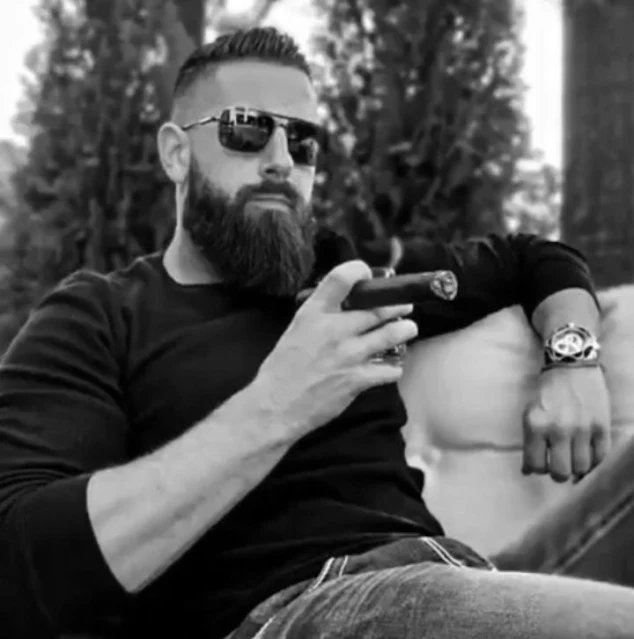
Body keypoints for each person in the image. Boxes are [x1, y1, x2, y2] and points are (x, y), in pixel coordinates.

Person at [0, 26, 632, 639]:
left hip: (460, 577)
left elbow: (534, 258)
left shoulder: (347, 277)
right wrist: (280, 402)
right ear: (176, 151)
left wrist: (571, 359)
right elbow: (22, 563)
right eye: (245, 130)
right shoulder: (99, 316)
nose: (280, 161)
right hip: (291, 608)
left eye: (302, 142)